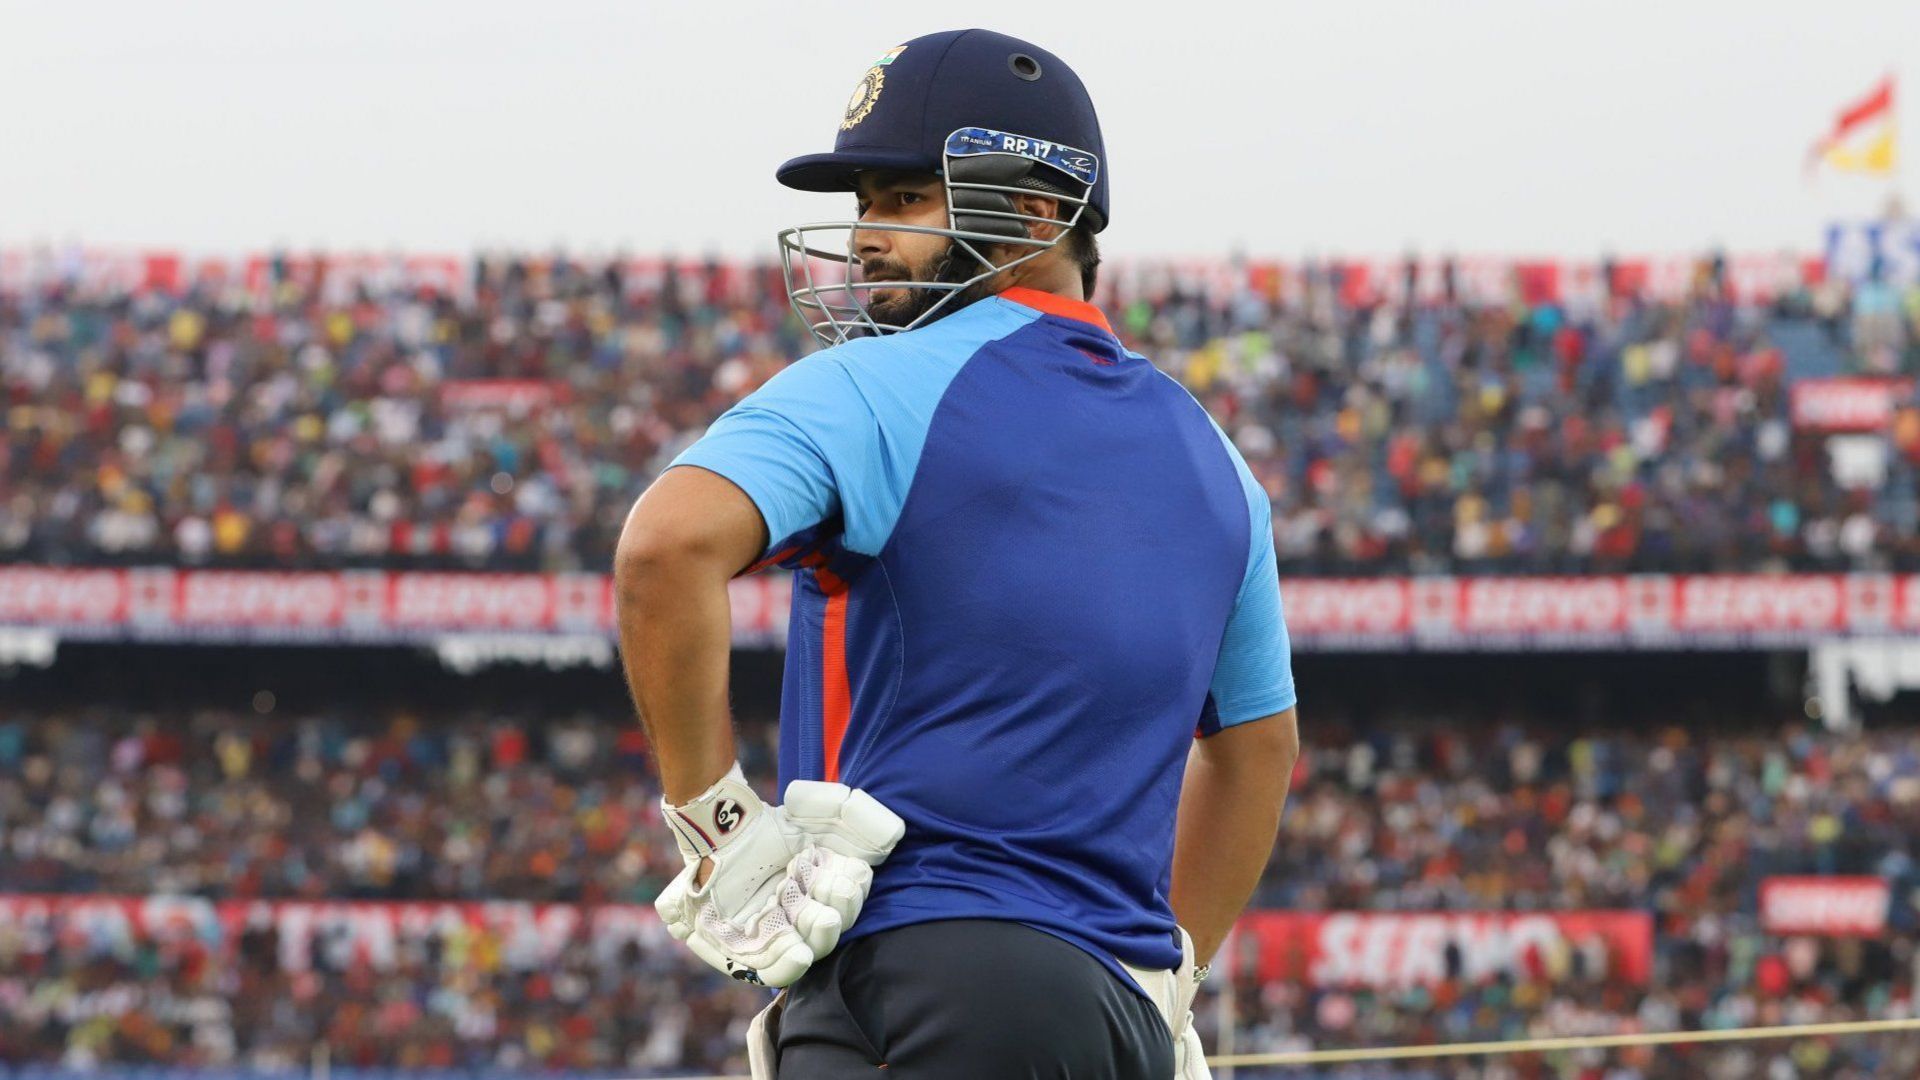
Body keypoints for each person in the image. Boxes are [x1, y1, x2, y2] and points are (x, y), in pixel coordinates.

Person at [615, 28, 1300, 1079]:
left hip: (918, 968)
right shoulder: (1220, 467)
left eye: (902, 201)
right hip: (1115, 1016)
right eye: (862, 208)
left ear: (1039, 209)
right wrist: (1175, 972)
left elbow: (664, 550)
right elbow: (1258, 750)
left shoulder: (871, 386)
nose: (865, 239)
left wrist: (720, 825)